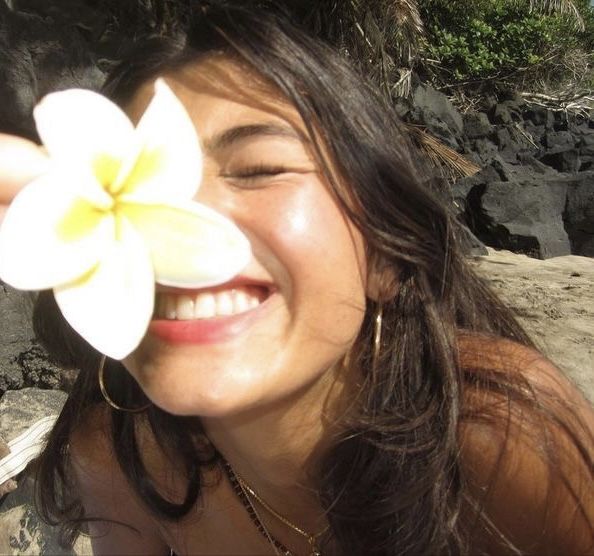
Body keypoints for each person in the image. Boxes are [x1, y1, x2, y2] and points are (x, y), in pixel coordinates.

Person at [0, 3, 592, 555]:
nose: (188, 221)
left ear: (386, 255)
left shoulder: (500, 442)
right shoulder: (116, 454)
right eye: (157, 184)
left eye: (259, 170)